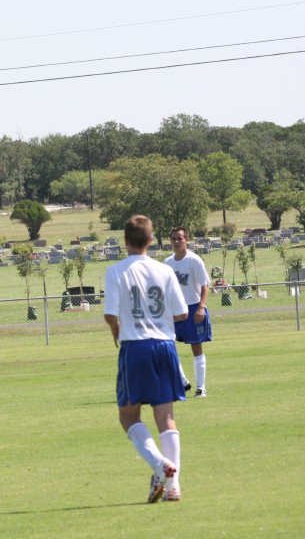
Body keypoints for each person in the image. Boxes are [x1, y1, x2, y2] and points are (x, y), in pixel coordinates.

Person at [104, 215, 189, 502]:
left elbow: (109, 312)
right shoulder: (164, 270)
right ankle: (174, 485)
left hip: (135, 347)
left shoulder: (116, 270)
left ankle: (159, 464)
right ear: (152, 241)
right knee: (166, 417)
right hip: (165, 346)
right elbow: (181, 313)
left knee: (128, 416)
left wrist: (116, 328)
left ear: (125, 240)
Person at [164, 227, 212, 397]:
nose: (176, 242)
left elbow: (204, 285)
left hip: (193, 307)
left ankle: (201, 388)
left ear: (186, 240)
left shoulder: (194, 260)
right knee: (167, 347)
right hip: (174, 310)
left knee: (196, 348)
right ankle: (183, 383)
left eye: (180, 239)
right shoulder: (167, 263)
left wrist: (201, 307)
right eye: (174, 239)